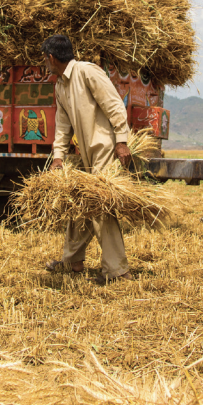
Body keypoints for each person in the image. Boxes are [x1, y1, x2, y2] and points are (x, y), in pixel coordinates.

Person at [42, 34, 134, 284]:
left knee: (101, 206)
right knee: (79, 202)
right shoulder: (60, 84)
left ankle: (118, 270)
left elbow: (114, 105)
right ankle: (73, 261)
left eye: (45, 59)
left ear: (51, 57)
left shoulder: (86, 72)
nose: (45, 64)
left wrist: (122, 141)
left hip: (105, 148)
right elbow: (62, 125)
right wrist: (58, 156)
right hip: (86, 153)